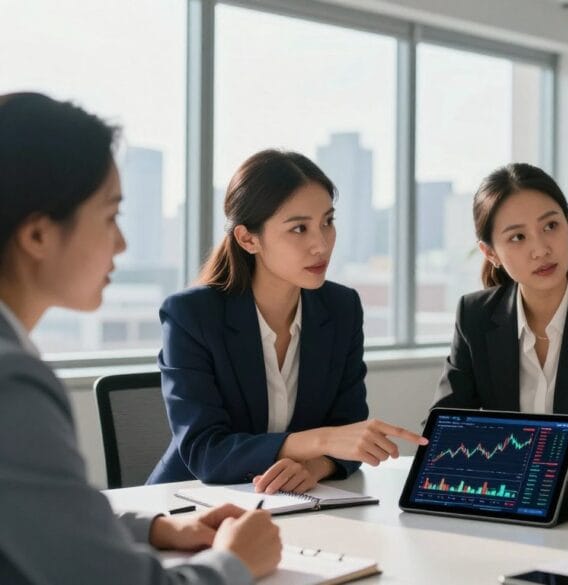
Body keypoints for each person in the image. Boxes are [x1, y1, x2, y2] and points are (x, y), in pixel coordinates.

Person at [0, 92, 282, 584]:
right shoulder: (11, 382)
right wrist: (234, 563)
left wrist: (155, 528)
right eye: (110, 216)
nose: (122, 243)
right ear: (38, 235)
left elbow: (41, 511)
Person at [148, 149, 427, 492]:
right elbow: (207, 452)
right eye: (299, 228)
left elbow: (348, 433)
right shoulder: (192, 315)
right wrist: (321, 440)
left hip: (289, 502)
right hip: (189, 500)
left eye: (327, 222)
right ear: (248, 239)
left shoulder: (342, 308)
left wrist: (314, 467)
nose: (321, 244)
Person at [431, 163, 568, 475]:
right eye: (518, 237)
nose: (540, 250)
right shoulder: (475, 315)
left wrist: (503, 452)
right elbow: (443, 430)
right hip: (503, 491)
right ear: (490, 253)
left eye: (550, 226)